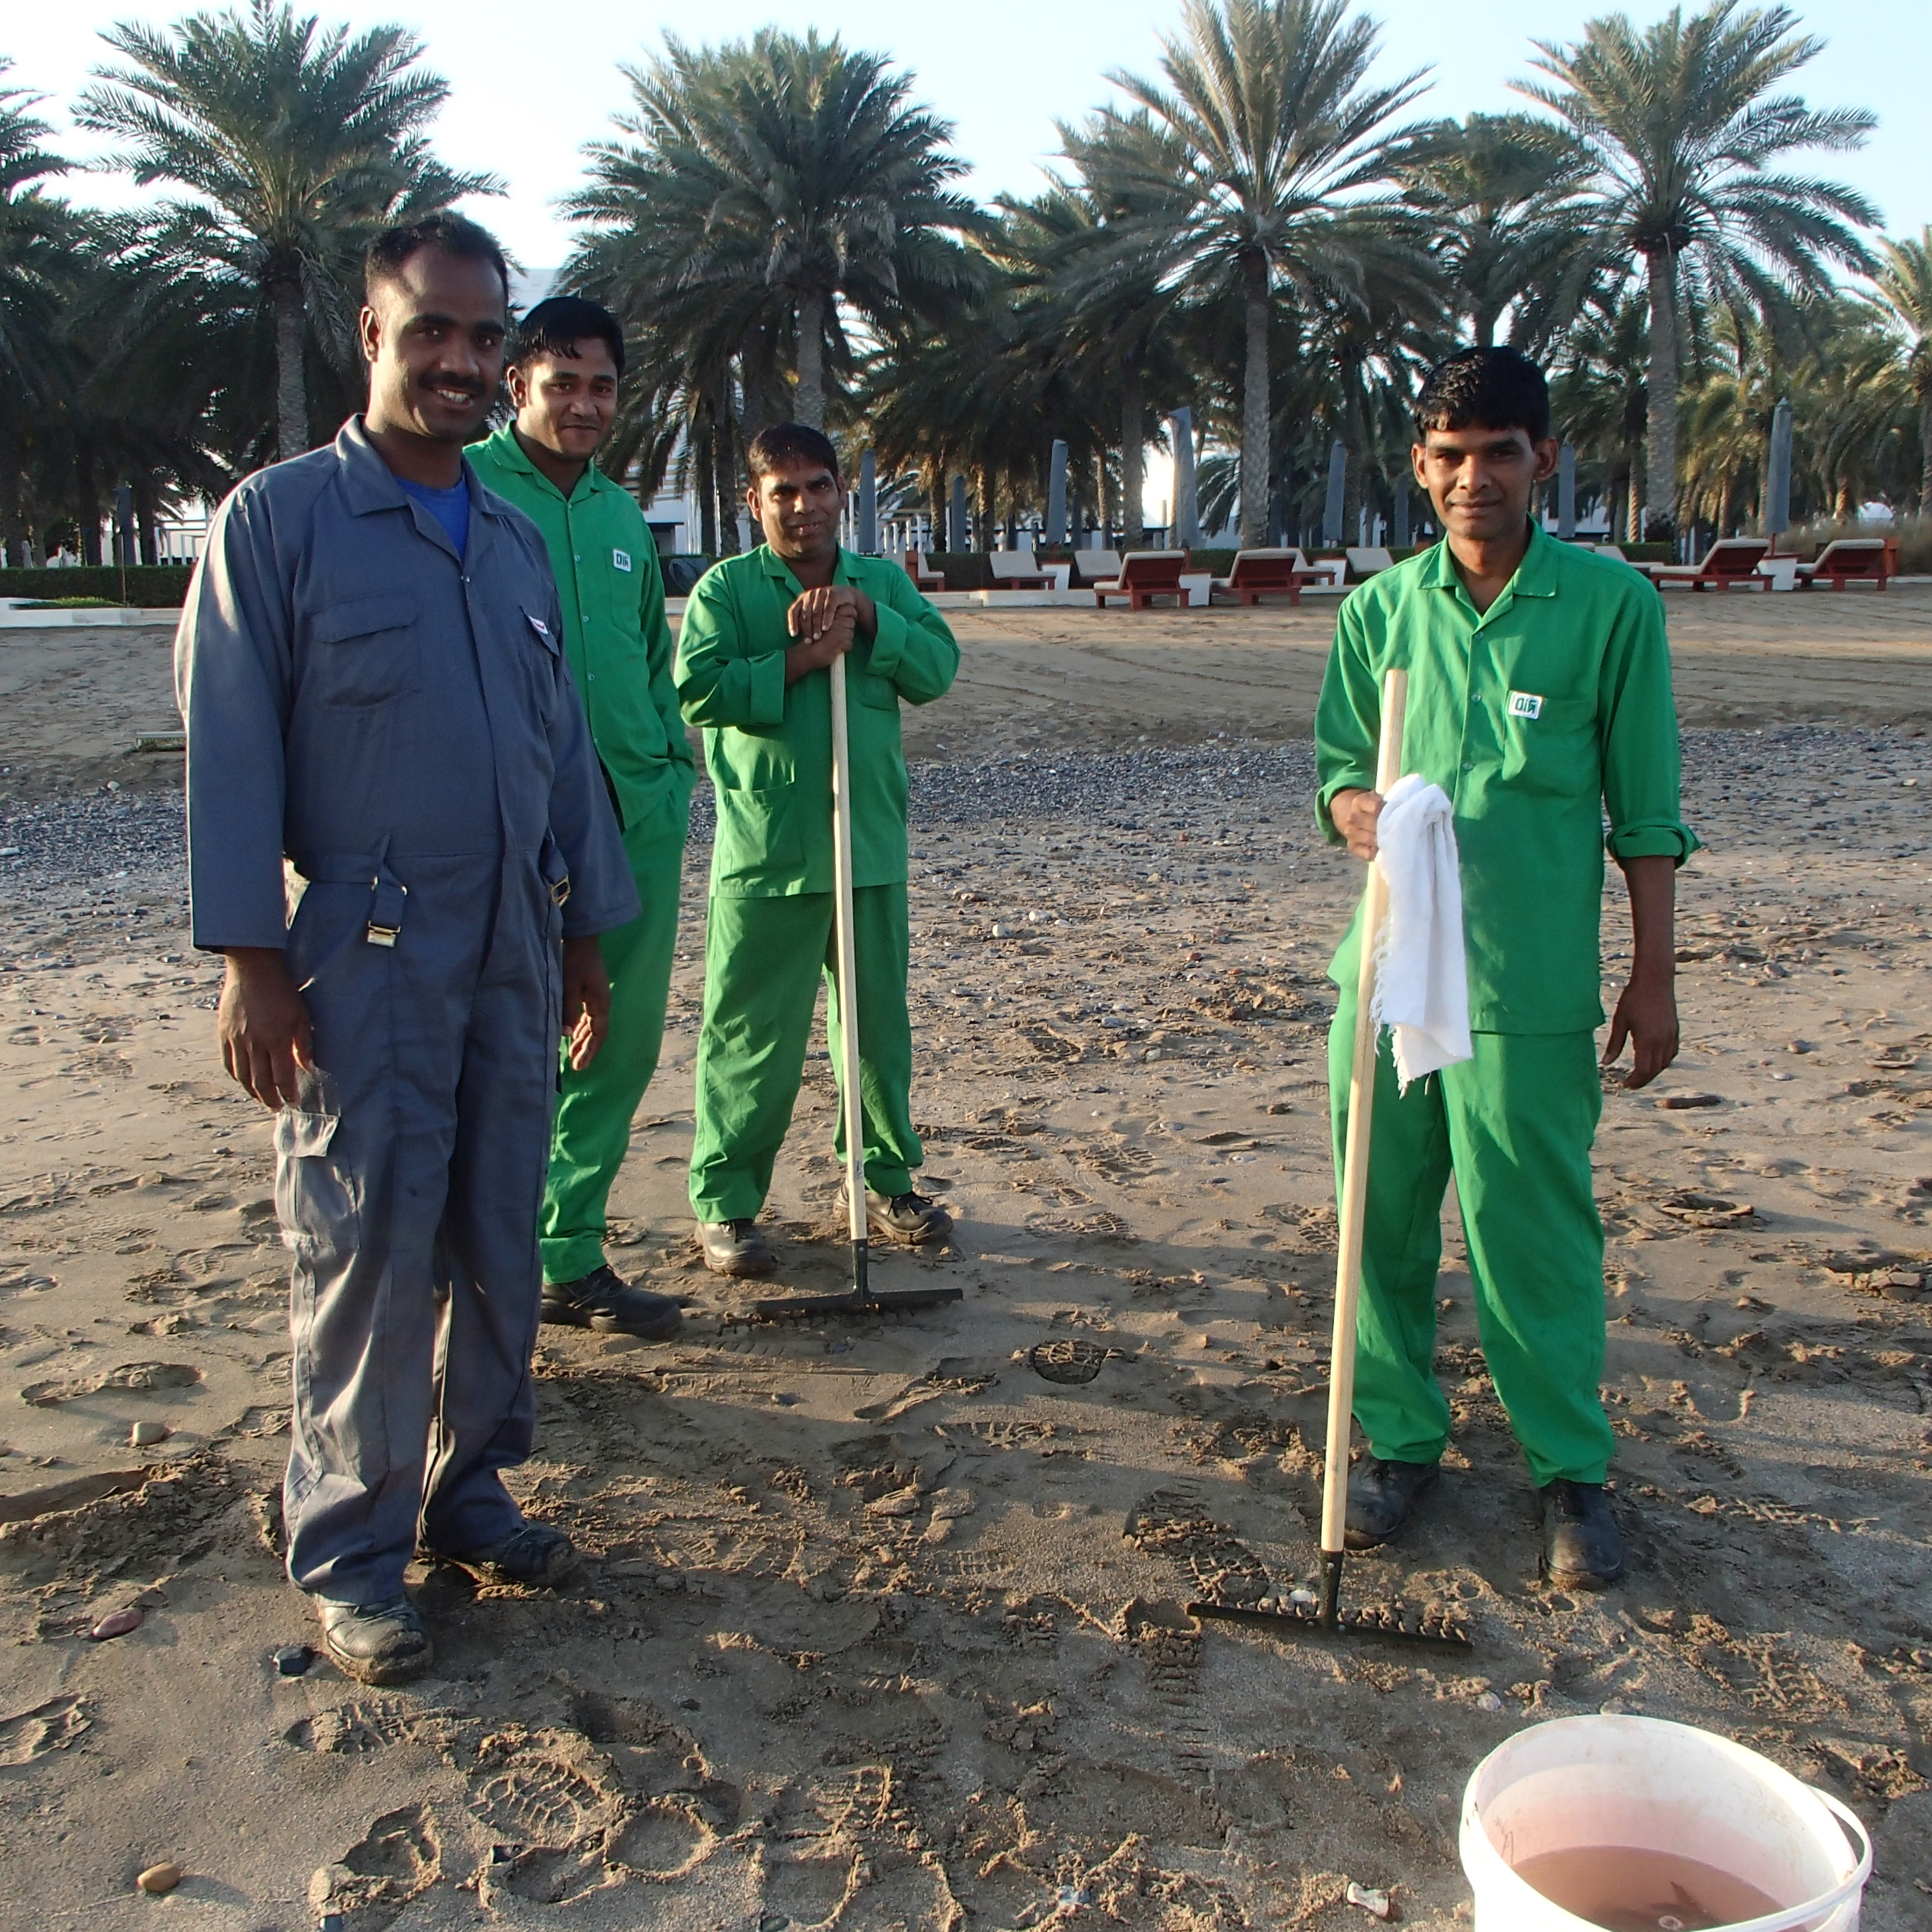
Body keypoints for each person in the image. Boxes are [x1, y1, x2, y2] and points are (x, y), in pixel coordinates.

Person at [175, 214, 639, 1685]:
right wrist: (251, 960)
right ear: (372, 335)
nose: (459, 359)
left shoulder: (511, 539)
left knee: (499, 1230)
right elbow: (230, 749)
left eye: (482, 336)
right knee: (368, 1243)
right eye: (431, 328)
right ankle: (352, 1552)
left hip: (514, 943)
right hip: (364, 949)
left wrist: (584, 932)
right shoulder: (279, 523)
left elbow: (560, 749)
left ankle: (471, 1493)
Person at [1314, 345, 1698, 1589]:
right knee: (1379, 1220)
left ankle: (1570, 1473)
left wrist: (1653, 974)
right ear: (1420, 468)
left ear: (1544, 459)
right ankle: (1399, 1442)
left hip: (1526, 988)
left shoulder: (1610, 607)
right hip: (1385, 976)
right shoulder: (1379, 612)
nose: (1473, 478)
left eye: (1499, 454)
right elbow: (1337, 771)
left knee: (1532, 1232)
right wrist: (1353, 809)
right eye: (1450, 457)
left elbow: (1646, 812)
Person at [675, 423, 959, 1276]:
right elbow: (698, 691)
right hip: (767, 854)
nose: (804, 506)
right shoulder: (727, 590)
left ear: (842, 492)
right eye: (784, 492)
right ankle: (726, 1203)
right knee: (749, 1035)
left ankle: (883, 1181)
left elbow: (937, 669)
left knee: (875, 1031)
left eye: (818, 487)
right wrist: (802, 658)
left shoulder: (881, 583)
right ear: (754, 501)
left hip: (868, 847)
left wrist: (868, 620)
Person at [469, 297, 696, 1341]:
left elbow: (652, 655)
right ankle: (488, 1258)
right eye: (562, 384)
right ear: (517, 385)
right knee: (512, 1042)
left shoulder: (619, 518)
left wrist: (672, 765)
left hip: (636, 815)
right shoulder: (467, 488)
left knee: (620, 1040)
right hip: (511, 825)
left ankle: (568, 1253)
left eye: (602, 386)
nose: (584, 405)